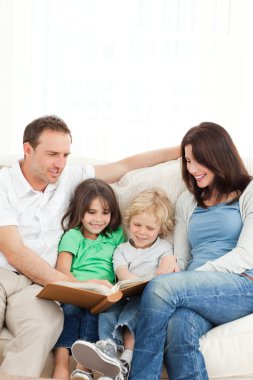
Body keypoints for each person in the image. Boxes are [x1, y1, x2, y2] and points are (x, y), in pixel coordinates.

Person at [0, 115, 180, 377]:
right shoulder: (3, 183)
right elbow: (14, 251)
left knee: (45, 325)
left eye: (65, 154)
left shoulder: (69, 176)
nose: (60, 163)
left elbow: (124, 165)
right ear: (28, 150)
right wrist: (75, 285)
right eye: (52, 154)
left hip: (37, 288)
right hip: (4, 274)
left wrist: (181, 149)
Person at [128, 121, 253, 380]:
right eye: (187, 161)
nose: (192, 169)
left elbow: (246, 255)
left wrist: (185, 280)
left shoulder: (249, 192)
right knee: (179, 327)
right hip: (194, 289)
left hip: (241, 284)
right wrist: (172, 266)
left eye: (198, 161)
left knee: (161, 288)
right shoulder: (187, 201)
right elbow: (184, 259)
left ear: (218, 156)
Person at [71, 188, 178, 380]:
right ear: (129, 222)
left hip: (147, 298)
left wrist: (166, 266)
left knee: (132, 312)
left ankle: (126, 359)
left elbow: (166, 268)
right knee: (108, 311)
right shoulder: (121, 249)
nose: (142, 232)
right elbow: (122, 273)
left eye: (150, 228)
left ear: (161, 228)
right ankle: (108, 349)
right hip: (125, 292)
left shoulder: (164, 247)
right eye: (137, 225)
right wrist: (128, 284)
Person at [52, 178, 125, 380]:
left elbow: (126, 262)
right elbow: (62, 271)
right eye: (91, 212)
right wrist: (87, 285)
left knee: (95, 316)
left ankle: (83, 366)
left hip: (102, 297)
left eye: (105, 212)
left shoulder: (116, 235)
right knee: (71, 312)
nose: (99, 219)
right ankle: (61, 363)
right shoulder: (73, 236)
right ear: (80, 211)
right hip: (75, 292)